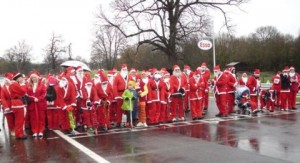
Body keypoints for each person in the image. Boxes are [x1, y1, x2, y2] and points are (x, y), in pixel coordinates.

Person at [27, 71, 47, 137]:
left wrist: (38, 99)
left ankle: (41, 130)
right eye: (32, 78)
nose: (34, 79)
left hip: (40, 104)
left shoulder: (42, 85)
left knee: (41, 117)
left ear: (37, 78)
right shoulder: (29, 85)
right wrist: (33, 99)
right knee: (33, 118)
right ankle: (34, 131)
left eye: (35, 77)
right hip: (32, 104)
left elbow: (44, 94)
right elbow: (27, 95)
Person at [9, 72, 28, 140]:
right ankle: (19, 134)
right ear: (17, 79)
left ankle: (19, 133)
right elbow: (23, 91)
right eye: (20, 78)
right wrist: (23, 84)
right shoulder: (15, 84)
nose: (22, 79)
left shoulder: (14, 84)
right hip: (17, 103)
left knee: (19, 120)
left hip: (16, 103)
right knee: (19, 120)